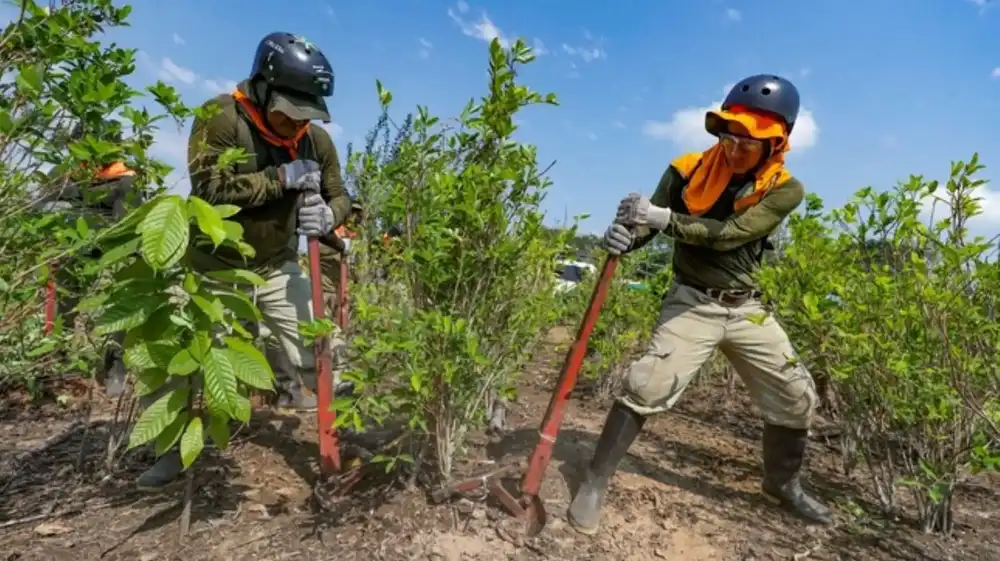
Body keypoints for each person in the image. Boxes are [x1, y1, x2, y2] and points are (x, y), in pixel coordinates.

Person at [567, 75, 831, 534]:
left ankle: (782, 485)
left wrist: (662, 218)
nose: (735, 149)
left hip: (746, 308)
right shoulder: (686, 170)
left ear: (776, 143)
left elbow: (729, 236)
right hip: (692, 300)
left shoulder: (784, 189)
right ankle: (594, 481)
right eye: (729, 137)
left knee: (796, 396)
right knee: (648, 384)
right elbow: (646, 227)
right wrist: (626, 236)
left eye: (749, 142)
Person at [135, 32, 352, 490]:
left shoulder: (315, 142)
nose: (296, 125)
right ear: (262, 88)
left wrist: (329, 214)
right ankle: (168, 452)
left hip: (276, 264)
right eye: (288, 112)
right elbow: (211, 189)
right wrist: (280, 178)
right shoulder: (220, 118)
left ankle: (347, 437)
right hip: (211, 267)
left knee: (322, 347)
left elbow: (340, 194)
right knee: (183, 361)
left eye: (306, 115)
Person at [35, 122, 137, 398]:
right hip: (71, 252)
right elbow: (39, 208)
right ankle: (54, 366)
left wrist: (76, 218)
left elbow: (123, 227)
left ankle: (116, 367)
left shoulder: (125, 180)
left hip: (109, 254)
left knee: (118, 309)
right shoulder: (66, 175)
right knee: (60, 307)